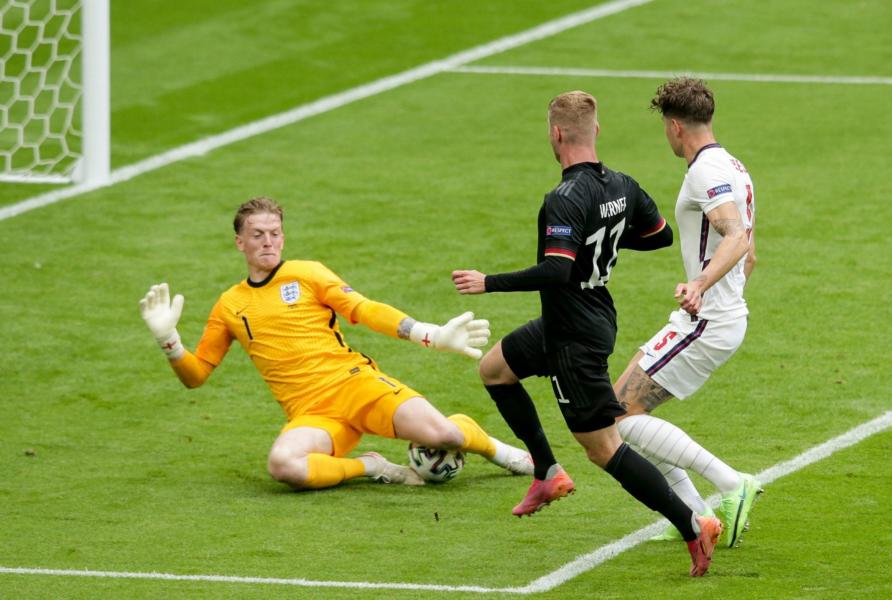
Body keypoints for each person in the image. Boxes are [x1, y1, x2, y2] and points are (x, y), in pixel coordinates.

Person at [452, 91, 722, 577]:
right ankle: (546, 472)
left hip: (573, 335)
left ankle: (691, 524)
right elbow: (659, 234)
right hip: (584, 317)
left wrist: (488, 282)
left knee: (603, 448)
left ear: (556, 134)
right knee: (494, 369)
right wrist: (611, 233)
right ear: (595, 131)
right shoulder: (621, 184)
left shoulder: (564, 197)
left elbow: (556, 271)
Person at [139, 197, 533, 491]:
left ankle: (496, 450)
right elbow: (197, 375)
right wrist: (168, 340)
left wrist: (428, 333)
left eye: (275, 233)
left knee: (445, 436)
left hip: (355, 384)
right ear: (239, 242)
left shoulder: (306, 273)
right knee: (283, 466)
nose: (268, 242)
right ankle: (372, 467)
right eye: (257, 235)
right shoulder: (230, 305)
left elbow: (363, 309)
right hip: (311, 414)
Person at [613, 77, 763, 548]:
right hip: (716, 317)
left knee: (616, 415)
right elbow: (749, 253)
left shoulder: (706, 171)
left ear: (675, 127)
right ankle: (699, 519)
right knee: (624, 409)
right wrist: (724, 294)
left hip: (707, 322)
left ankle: (729, 484)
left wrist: (701, 285)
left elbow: (736, 237)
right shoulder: (735, 167)